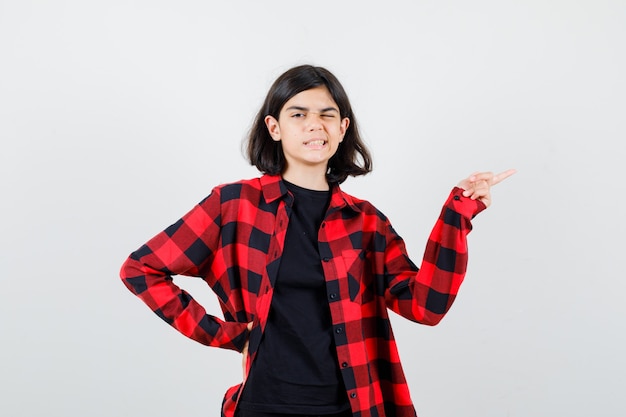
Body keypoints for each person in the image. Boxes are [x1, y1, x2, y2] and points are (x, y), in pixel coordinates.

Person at [120, 64, 515, 417]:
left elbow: (425, 306)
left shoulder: (366, 222)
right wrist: (227, 335)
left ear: (342, 129)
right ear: (274, 128)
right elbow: (142, 269)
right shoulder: (234, 205)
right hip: (264, 404)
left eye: (327, 115)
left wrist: (457, 214)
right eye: (299, 114)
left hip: (352, 405)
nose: (315, 125)